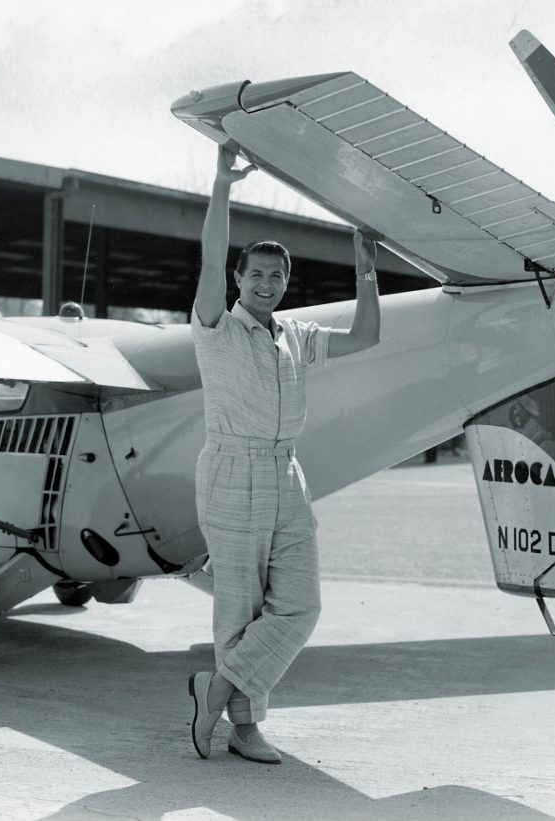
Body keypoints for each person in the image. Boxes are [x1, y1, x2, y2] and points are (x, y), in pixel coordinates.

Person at [188, 145, 381, 765]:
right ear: (238, 279)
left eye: (277, 277)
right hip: (230, 470)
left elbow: (366, 336)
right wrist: (223, 184)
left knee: (301, 604)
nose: (267, 285)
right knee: (239, 609)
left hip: (286, 473)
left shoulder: (295, 335)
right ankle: (244, 728)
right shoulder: (215, 327)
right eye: (257, 275)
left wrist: (366, 273)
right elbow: (210, 254)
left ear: (286, 283)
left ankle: (216, 689)